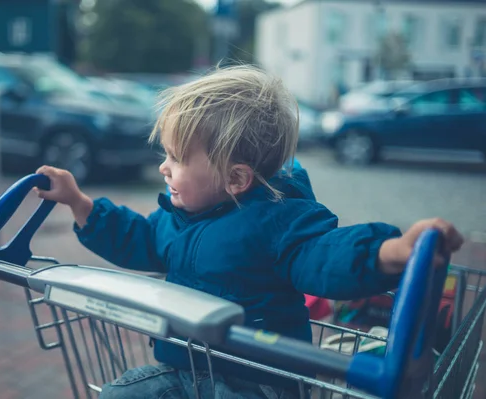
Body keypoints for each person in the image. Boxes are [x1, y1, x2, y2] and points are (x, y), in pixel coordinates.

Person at [34, 65, 464, 399]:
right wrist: (80, 204)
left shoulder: (278, 222)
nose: (163, 167)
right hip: (187, 370)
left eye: (176, 158)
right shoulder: (177, 217)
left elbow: (323, 253)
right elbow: (140, 238)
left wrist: (390, 251)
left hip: (257, 382)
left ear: (236, 179)